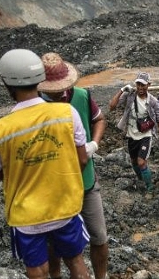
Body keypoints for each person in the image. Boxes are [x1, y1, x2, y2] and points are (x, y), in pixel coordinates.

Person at [0, 49, 90, 279]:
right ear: (39, 79)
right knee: (76, 262)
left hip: (27, 216)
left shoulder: (0, 130)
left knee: (38, 271)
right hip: (64, 205)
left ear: (7, 85)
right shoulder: (66, 113)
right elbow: (82, 158)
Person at [37, 52, 109, 279]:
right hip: (53, 187)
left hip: (85, 179)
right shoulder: (36, 106)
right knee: (53, 240)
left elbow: (99, 118)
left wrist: (94, 144)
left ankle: (101, 276)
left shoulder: (81, 96)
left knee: (99, 235)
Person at [109, 72, 159, 198]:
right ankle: (142, 179)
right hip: (131, 135)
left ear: (148, 85)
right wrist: (121, 90)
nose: (141, 88)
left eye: (143, 85)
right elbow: (112, 106)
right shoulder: (130, 96)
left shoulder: (152, 101)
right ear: (135, 84)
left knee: (141, 162)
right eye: (138, 85)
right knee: (133, 162)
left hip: (145, 135)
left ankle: (150, 188)